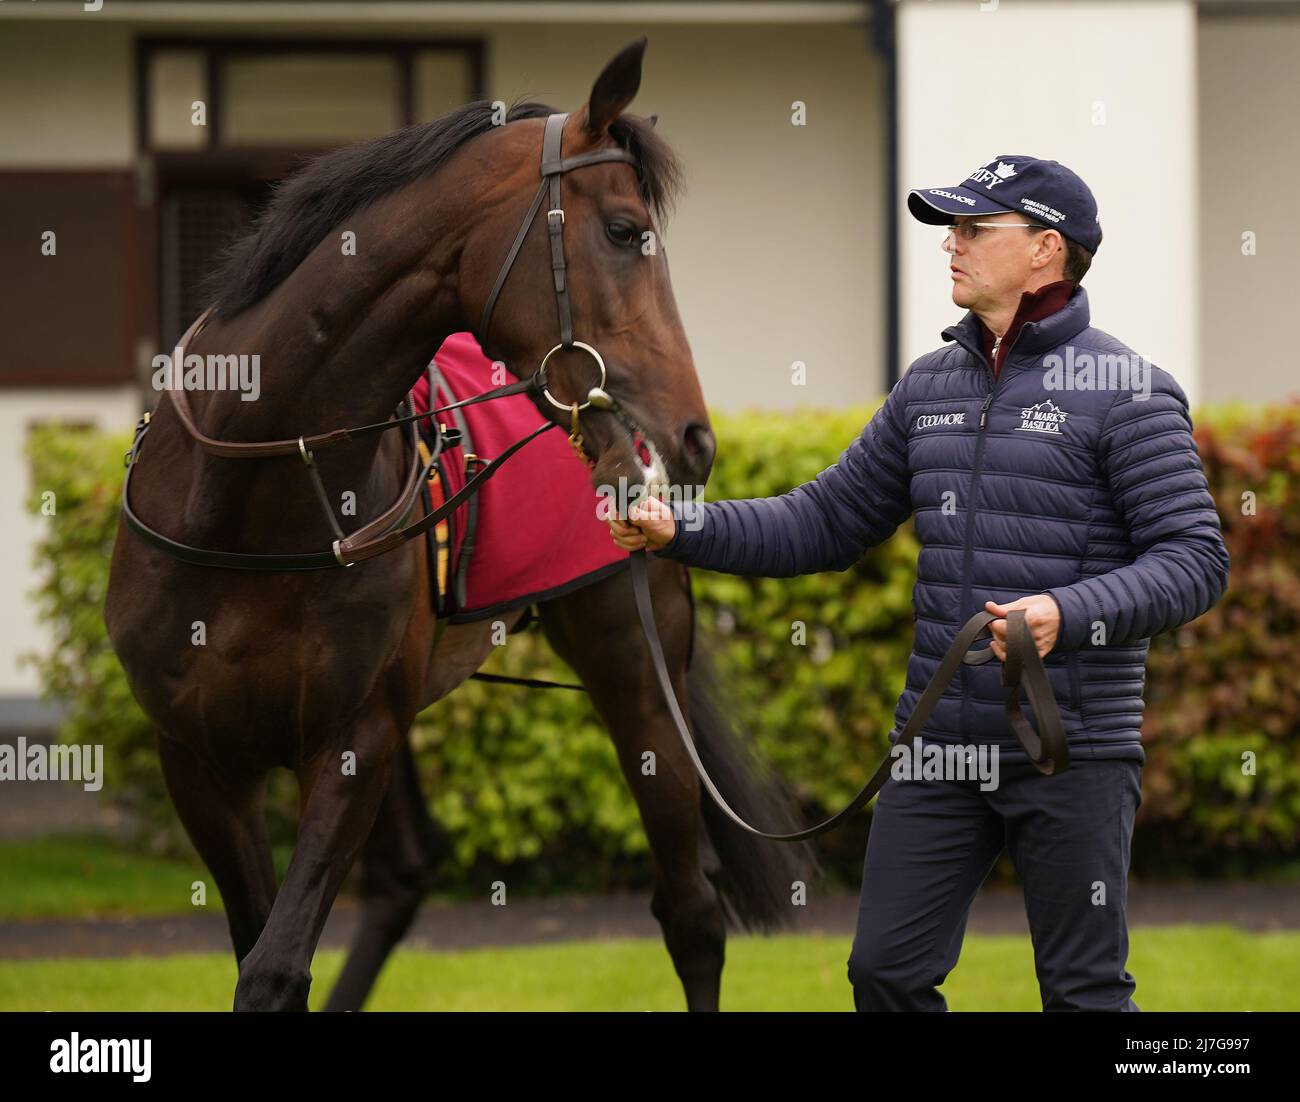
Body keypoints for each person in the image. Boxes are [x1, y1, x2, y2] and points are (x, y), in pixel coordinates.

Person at [607, 155, 1230, 1011]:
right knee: (885, 975)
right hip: (937, 746)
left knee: (1082, 991)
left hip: (1070, 752)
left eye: (975, 228)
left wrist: (1064, 614)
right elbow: (823, 522)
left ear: (1047, 250)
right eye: (951, 227)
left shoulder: (1127, 391)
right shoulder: (928, 386)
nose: (952, 243)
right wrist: (683, 526)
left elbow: (1195, 558)